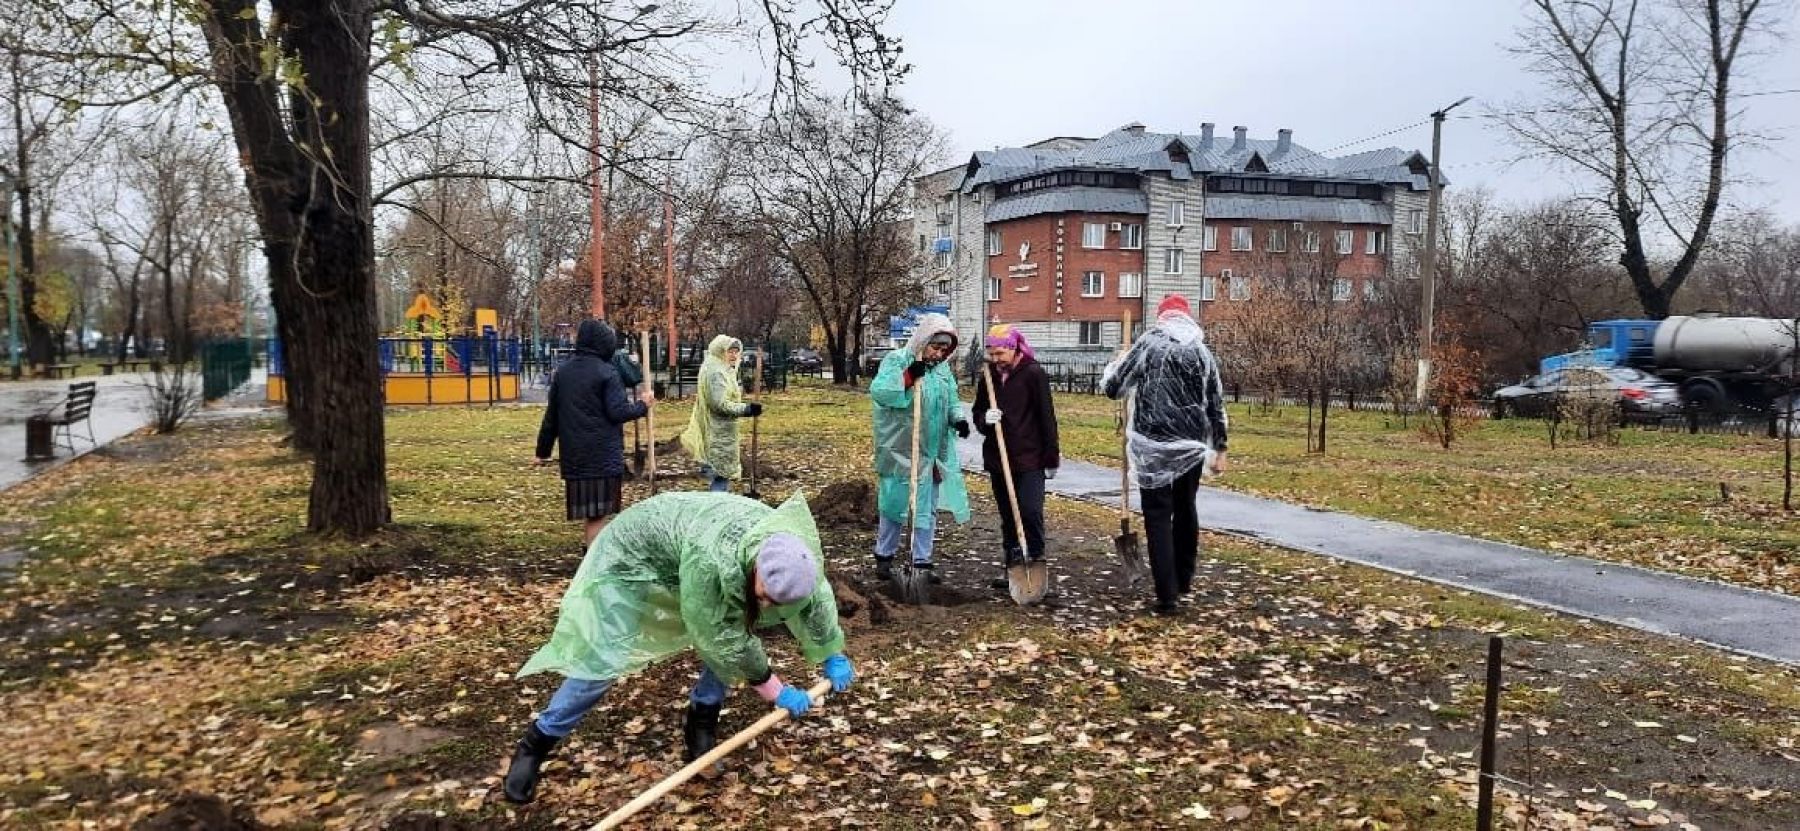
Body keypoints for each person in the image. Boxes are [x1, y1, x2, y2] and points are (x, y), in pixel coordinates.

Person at [502, 490, 855, 804]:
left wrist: (832, 654)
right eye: (763, 596)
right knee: (605, 658)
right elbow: (722, 639)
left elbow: (818, 605)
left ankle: (701, 723)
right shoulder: (713, 562)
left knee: (728, 639)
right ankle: (536, 743)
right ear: (755, 567)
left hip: (685, 547)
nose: (766, 609)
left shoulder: (799, 560)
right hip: (632, 551)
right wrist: (773, 688)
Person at [1101, 294, 1229, 616]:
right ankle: (1183, 579)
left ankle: (1167, 595)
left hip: (1152, 446)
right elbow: (1216, 403)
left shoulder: (1149, 344)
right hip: (1191, 447)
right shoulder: (1202, 352)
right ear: (1187, 317)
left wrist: (1118, 363)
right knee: (1186, 509)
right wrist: (1221, 448)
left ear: (1161, 317)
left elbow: (1113, 388)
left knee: (1158, 517)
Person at [868, 313, 971, 581]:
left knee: (926, 506)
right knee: (894, 504)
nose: (938, 354)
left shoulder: (942, 372)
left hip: (932, 451)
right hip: (900, 448)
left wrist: (957, 419)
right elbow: (881, 392)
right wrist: (908, 377)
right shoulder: (897, 360)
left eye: (944, 350)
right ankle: (884, 555)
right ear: (922, 341)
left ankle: (921, 560)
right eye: (935, 347)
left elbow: (951, 400)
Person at [535, 319, 653, 546]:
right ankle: (593, 562)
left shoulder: (563, 372)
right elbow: (618, 412)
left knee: (593, 514)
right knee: (597, 514)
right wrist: (642, 405)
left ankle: (593, 554)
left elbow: (552, 416)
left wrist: (542, 452)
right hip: (601, 456)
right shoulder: (607, 373)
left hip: (575, 458)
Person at [970, 324, 1059, 586]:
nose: (996, 359)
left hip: (1030, 457)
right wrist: (985, 419)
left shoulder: (1033, 373)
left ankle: (1035, 560)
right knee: (1009, 517)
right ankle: (1013, 568)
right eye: (992, 354)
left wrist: (1051, 457)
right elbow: (978, 412)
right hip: (999, 458)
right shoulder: (988, 376)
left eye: (1000, 354)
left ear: (1014, 349)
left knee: (1030, 512)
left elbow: (1047, 417)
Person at [680, 335, 764, 493]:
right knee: (719, 474)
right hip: (717, 431)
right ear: (720, 351)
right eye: (730, 351)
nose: (734, 355)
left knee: (721, 475)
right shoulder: (717, 373)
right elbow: (719, 405)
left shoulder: (720, 368)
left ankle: (719, 504)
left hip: (722, 430)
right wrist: (746, 409)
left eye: (736, 352)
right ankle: (716, 510)